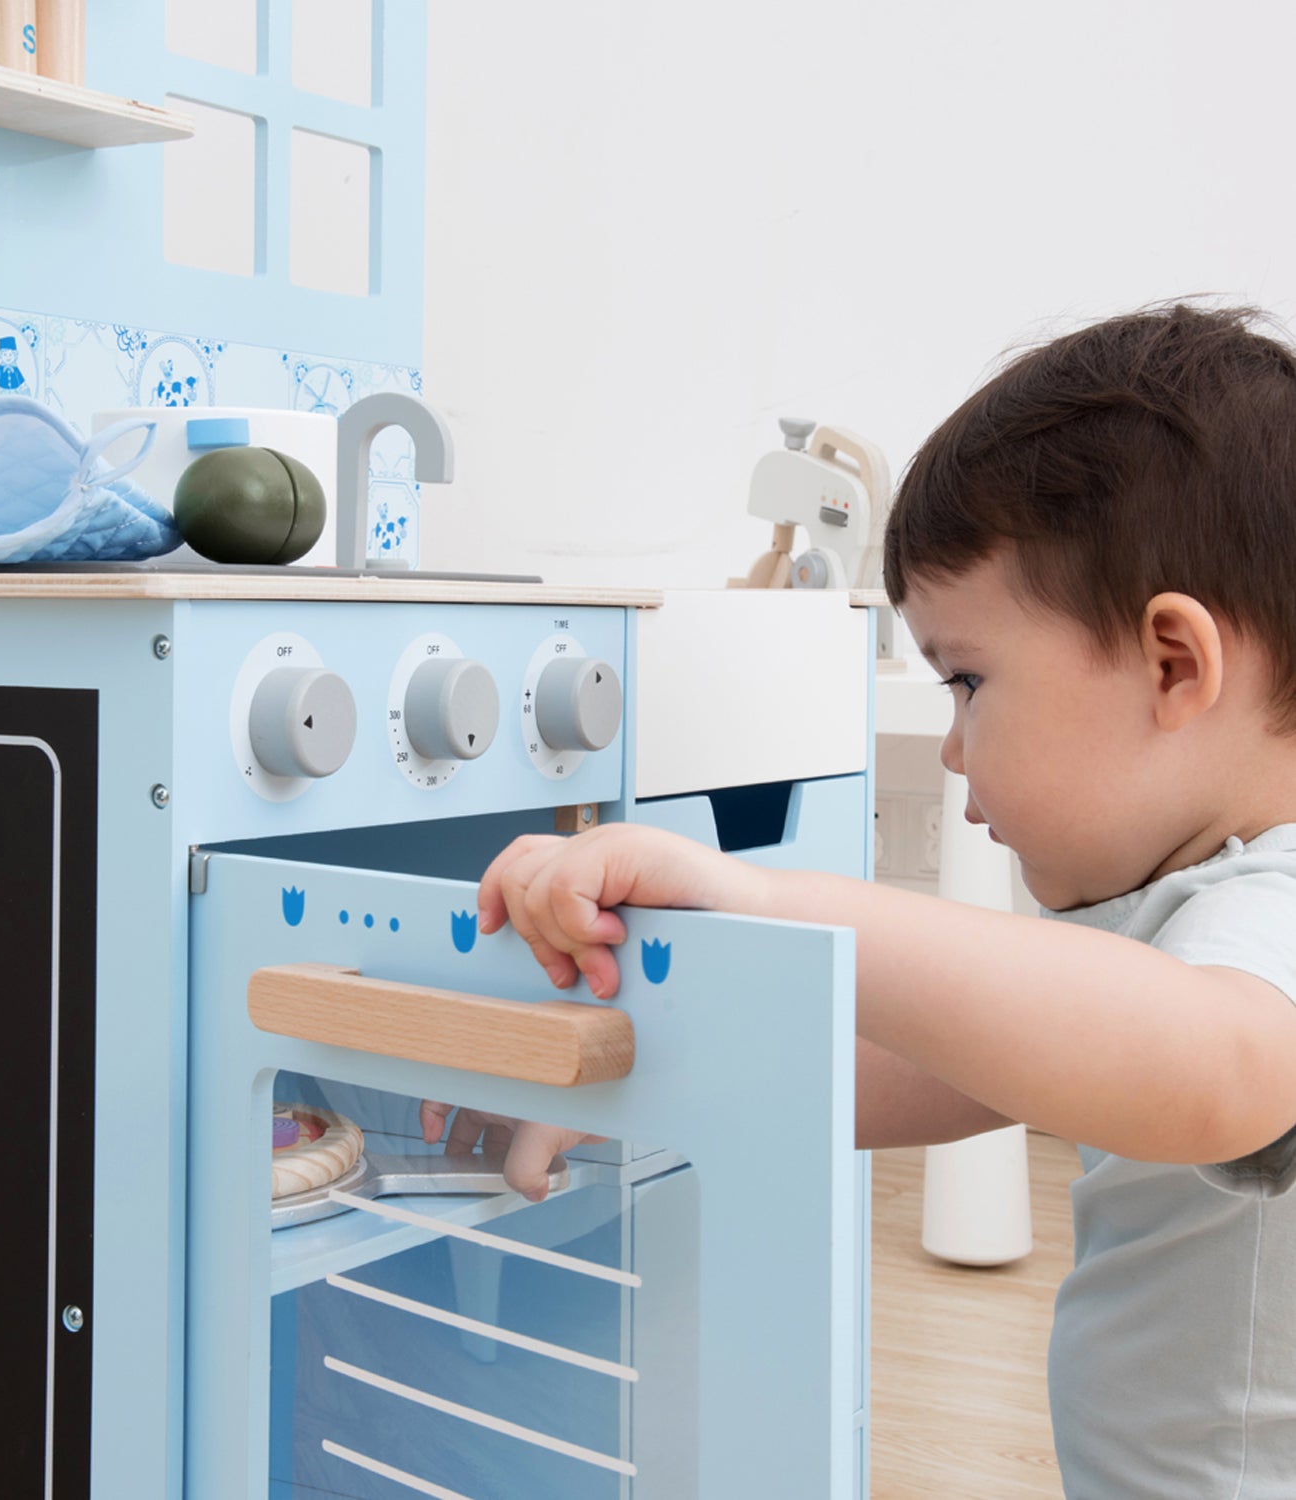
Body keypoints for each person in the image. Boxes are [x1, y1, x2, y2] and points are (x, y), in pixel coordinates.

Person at [422, 303, 1296, 1496]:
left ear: (1174, 664)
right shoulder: (1178, 911)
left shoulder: (1272, 912)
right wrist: (641, 1082)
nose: (953, 751)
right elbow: (948, 1066)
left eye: (969, 683)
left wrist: (762, 897)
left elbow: (1217, 1071)